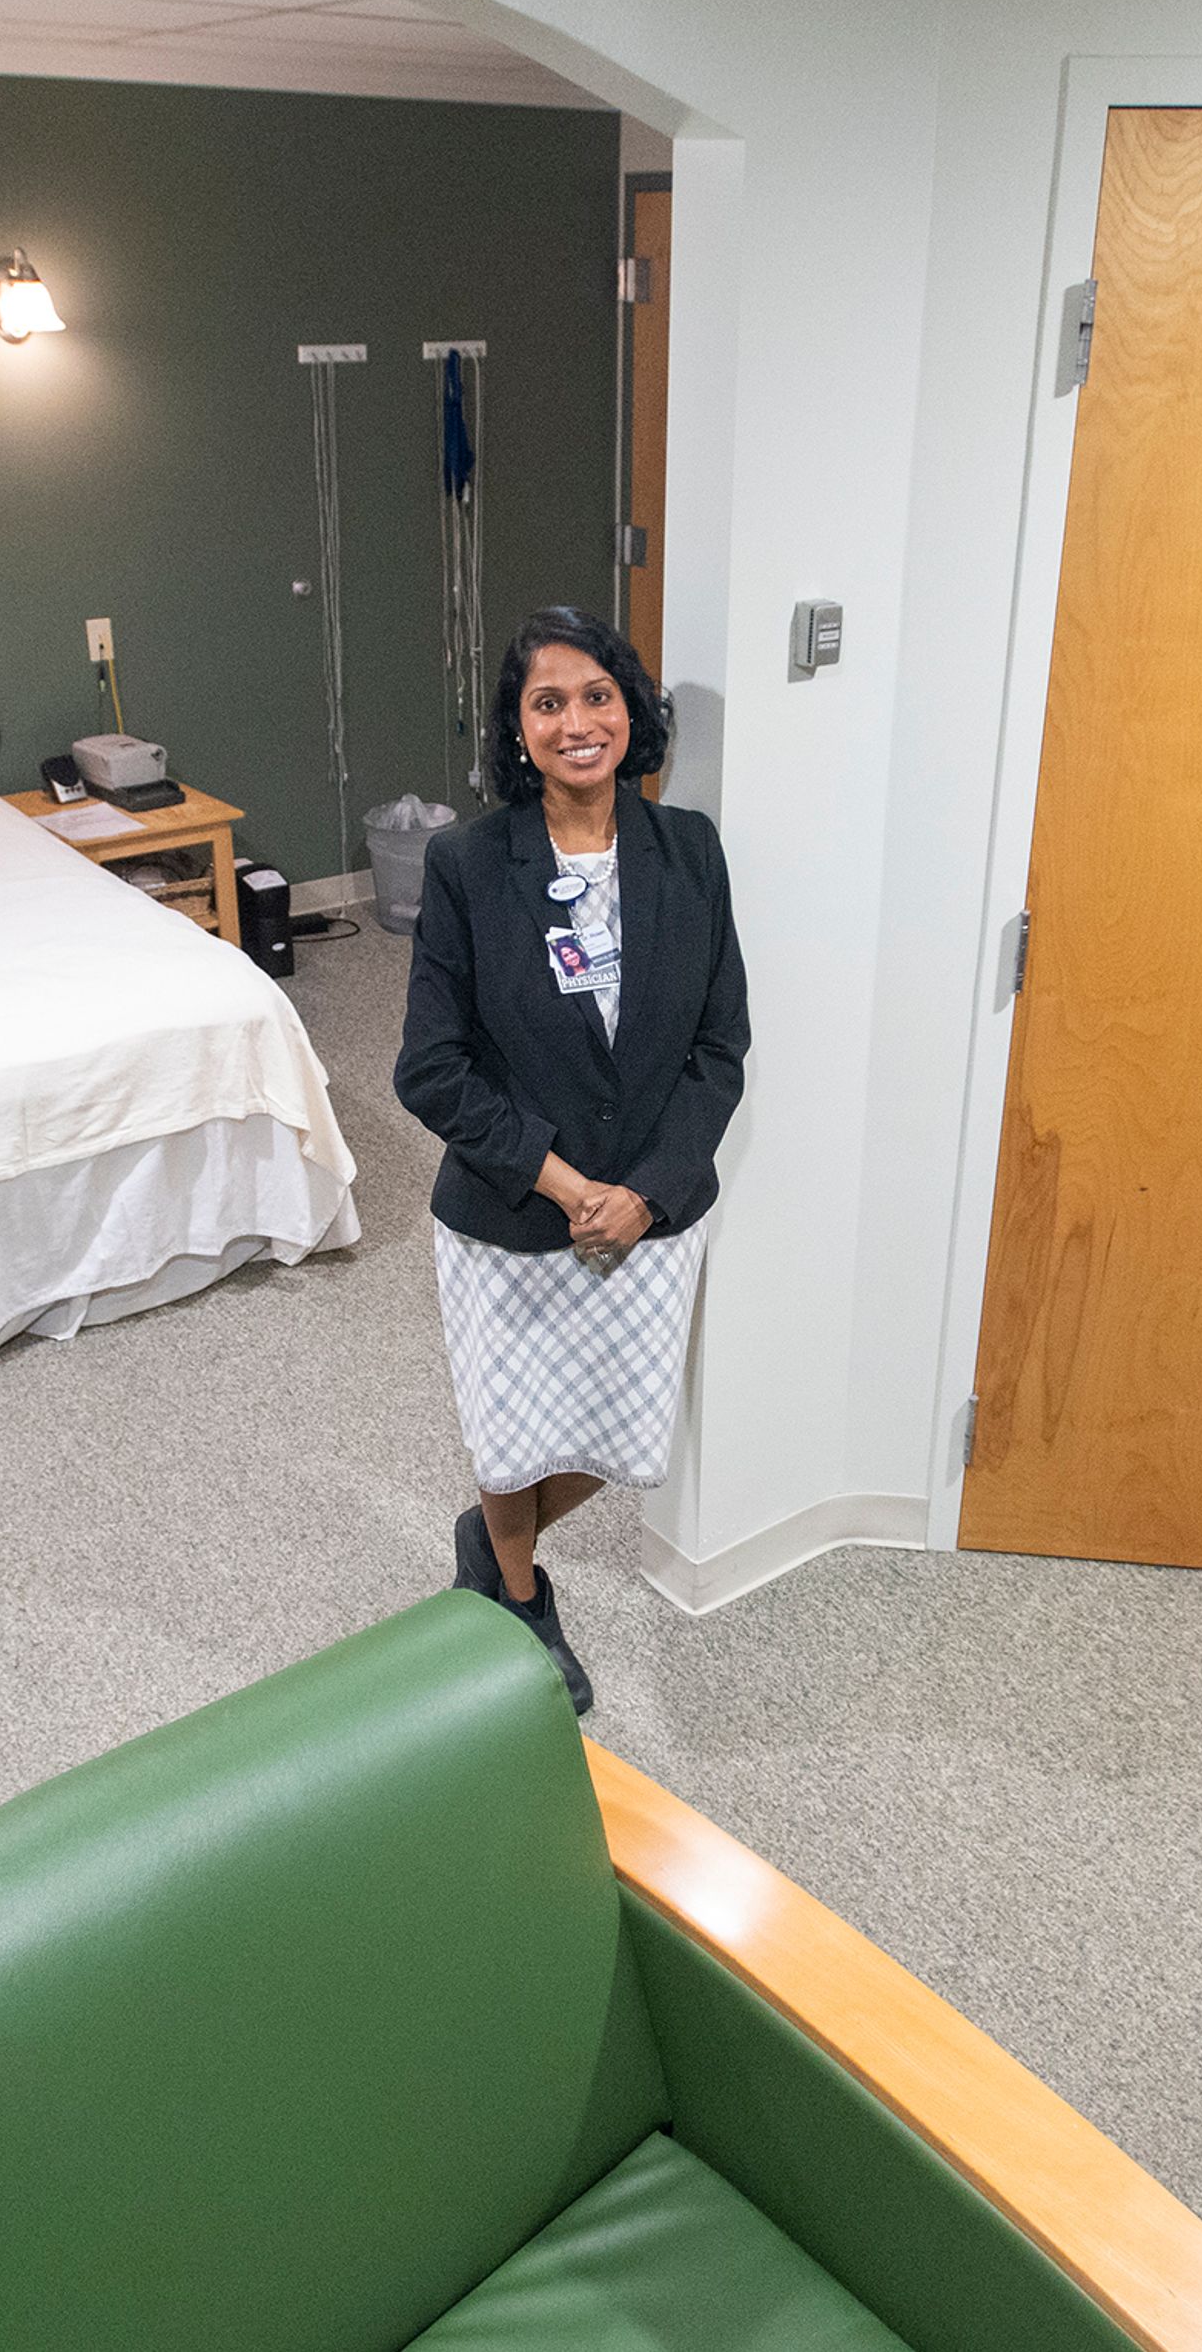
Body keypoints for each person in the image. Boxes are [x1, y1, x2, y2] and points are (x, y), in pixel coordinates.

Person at [393, 606, 749, 1711]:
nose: (577, 721)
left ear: (631, 712)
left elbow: (718, 1046)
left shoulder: (688, 849)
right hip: (513, 1216)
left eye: (598, 696)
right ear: (519, 728)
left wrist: (645, 1190)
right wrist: (564, 1183)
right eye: (547, 702)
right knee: (511, 1438)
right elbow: (431, 1068)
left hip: (650, 1214)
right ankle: (518, 1594)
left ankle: (490, 1537)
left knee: (615, 1434)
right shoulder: (465, 862)